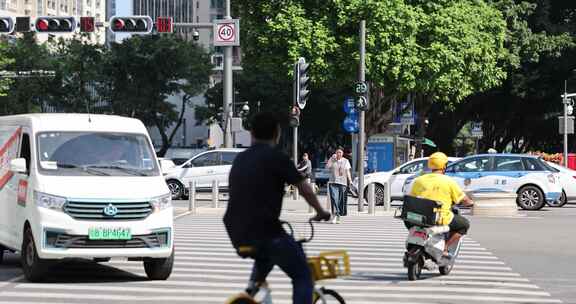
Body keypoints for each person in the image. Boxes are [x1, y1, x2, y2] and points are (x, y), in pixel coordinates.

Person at [223, 112, 331, 304]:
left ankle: (251, 290)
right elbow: (304, 188)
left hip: (237, 232)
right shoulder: (276, 157)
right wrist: (320, 211)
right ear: (277, 134)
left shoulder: (240, 159)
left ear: (252, 134)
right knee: (302, 276)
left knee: (264, 257)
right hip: (267, 232)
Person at [408, 152, 474, 258]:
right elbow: (464, 199)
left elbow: (411, 198)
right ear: (444, 166)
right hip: (439, 218)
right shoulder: (449, 181)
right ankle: (445, 248)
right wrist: (471, 202)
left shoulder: (419, 180)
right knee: (464, 225)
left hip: (417, 217)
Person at [325, 148, 352, 224]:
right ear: (335, 153)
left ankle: (338, 216)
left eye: (340, 152)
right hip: (333, 182)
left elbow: (347, 171)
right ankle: (334, 215)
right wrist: (331, 159)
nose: (339, 154)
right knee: (334, 198)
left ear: (342, 154)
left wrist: (350, 180)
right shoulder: (332, 160)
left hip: (343, 183)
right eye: (337, 152)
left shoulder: (346, 161)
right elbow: (327, 167)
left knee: (340, 200)